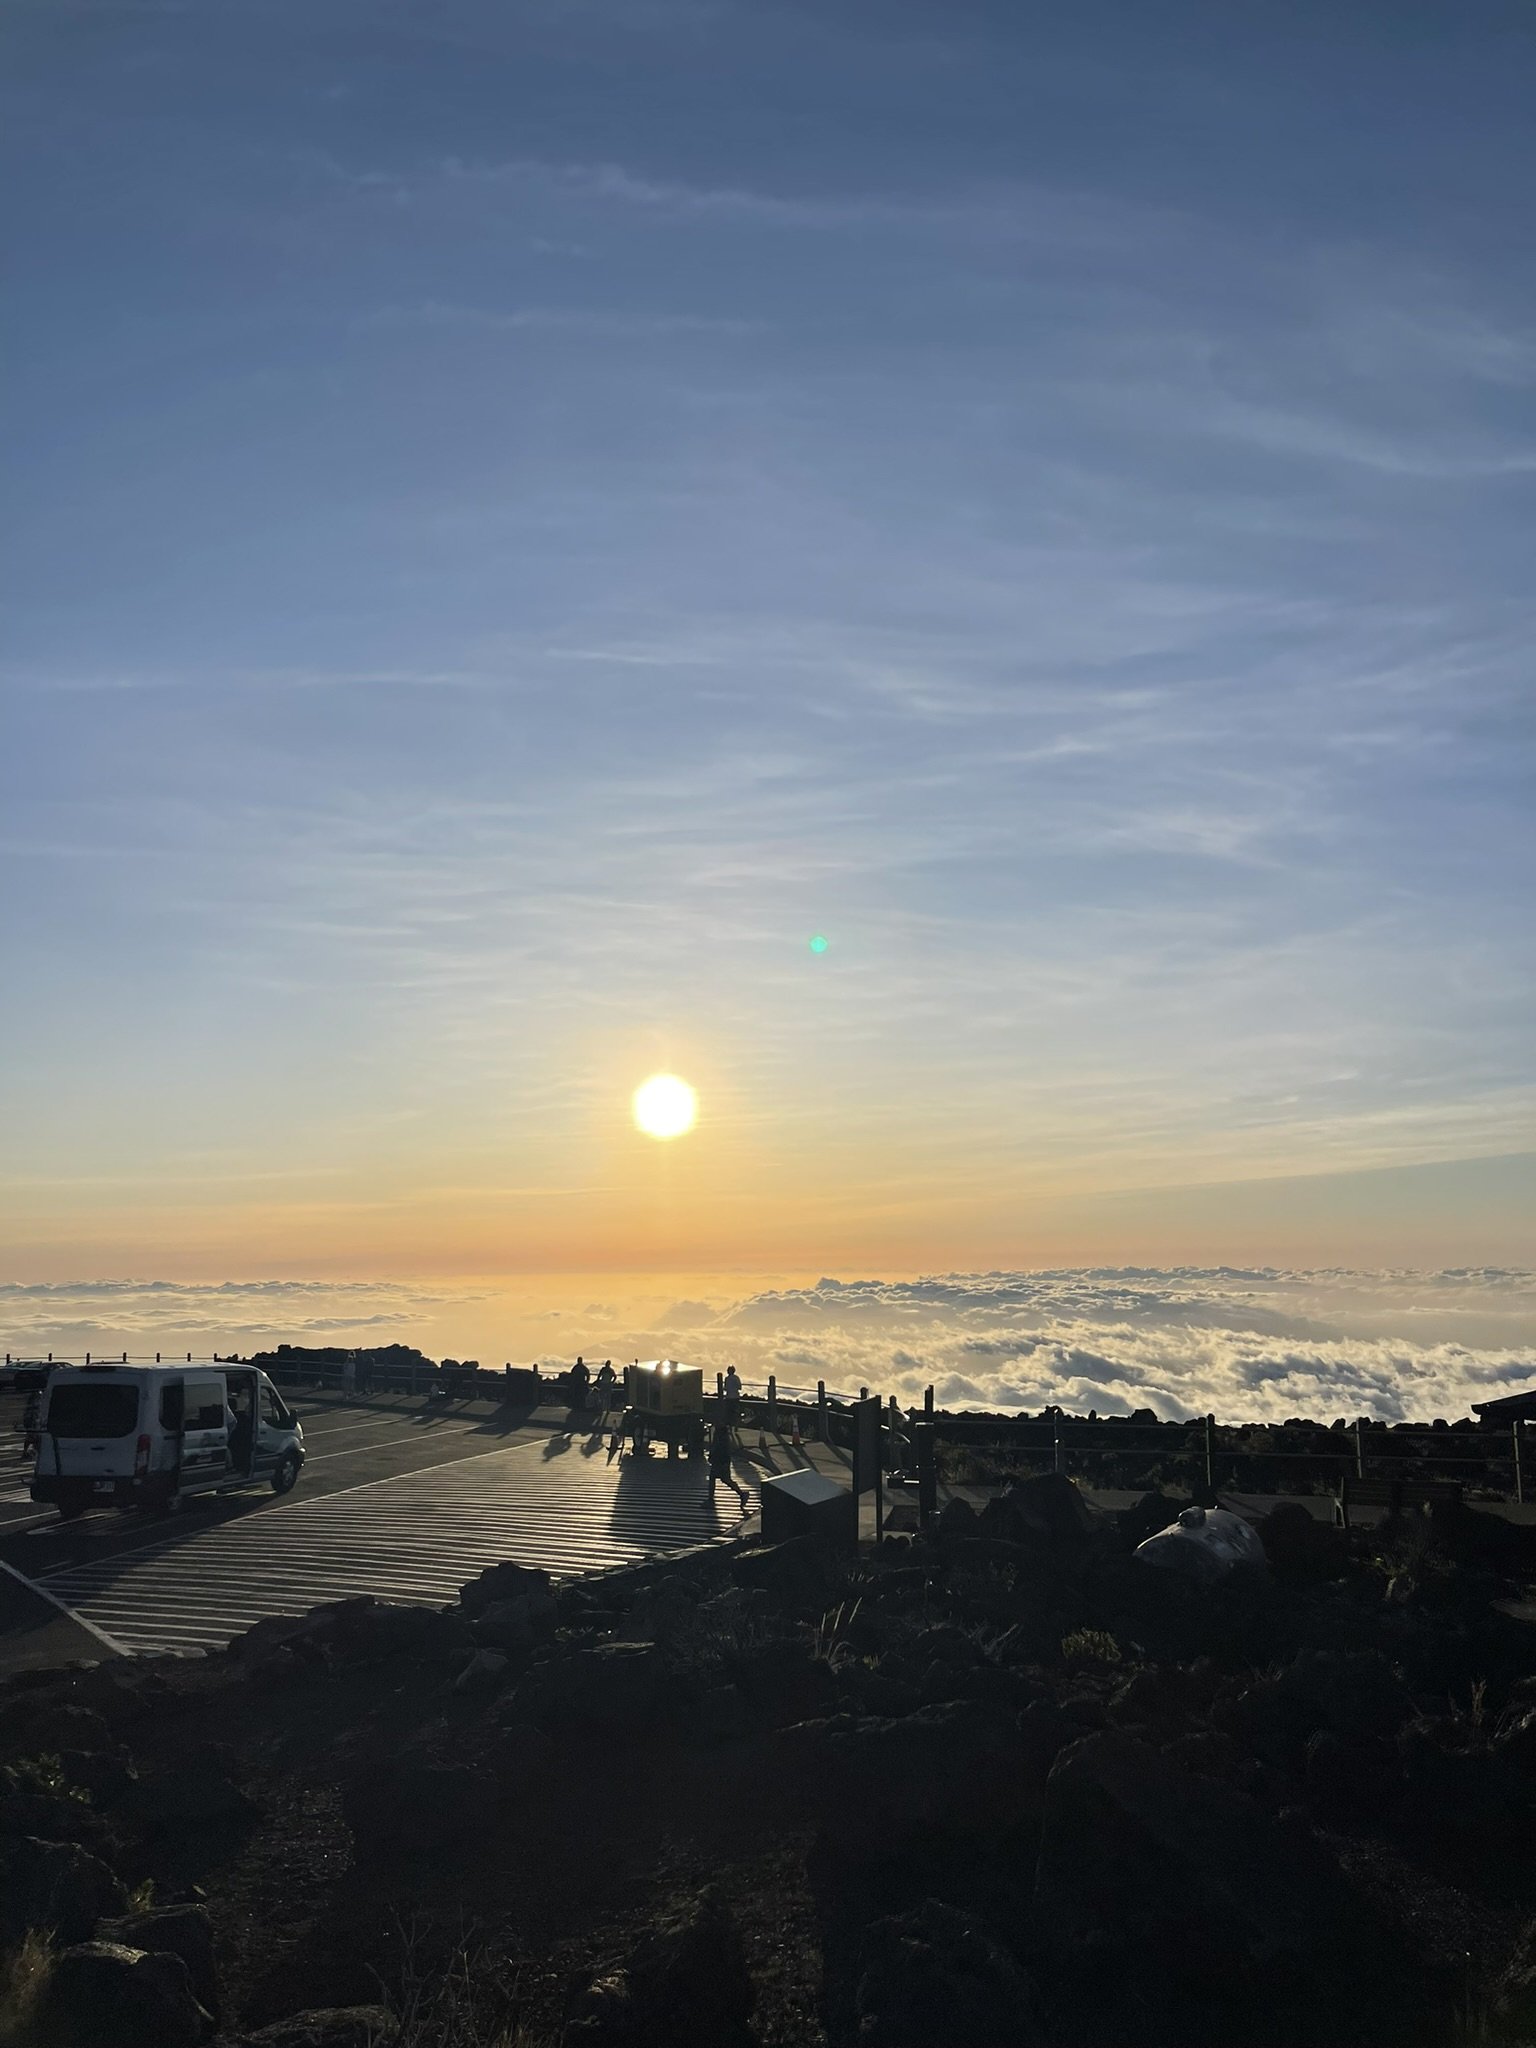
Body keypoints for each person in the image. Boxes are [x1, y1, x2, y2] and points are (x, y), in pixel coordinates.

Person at [705, 1415, 749, 1512]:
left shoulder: (721, 1434)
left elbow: (720, 1447)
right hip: (721, 1459)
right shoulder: (720, 1432)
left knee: (719, 1478)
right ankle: (741, 1494)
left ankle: (711, 1499)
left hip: (720, 1460)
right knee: (723, 1479)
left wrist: (714, 1456)